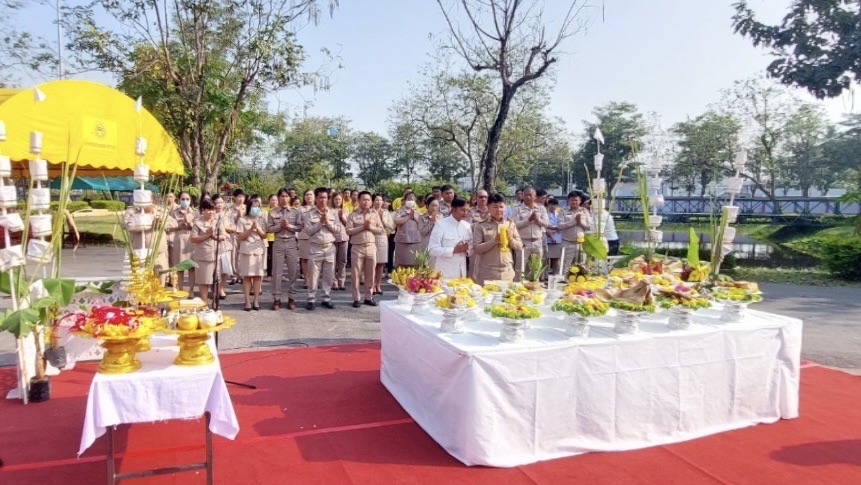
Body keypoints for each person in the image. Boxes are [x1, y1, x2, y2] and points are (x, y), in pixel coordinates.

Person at [472, 193, 523, 284]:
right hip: (488, 273)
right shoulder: (481, 225)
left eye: (501, 207)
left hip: (506, 272)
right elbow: (476, 249)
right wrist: (494, 241)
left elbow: (519, 246)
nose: (499, 210)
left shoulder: (510, 224)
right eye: (495, 207)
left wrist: (511, 239)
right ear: (488, 207)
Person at [303, 187, 340, 310]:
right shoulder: (309, 214)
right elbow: (308, 231)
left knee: (328, 276)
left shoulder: (333, 213)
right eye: (320, 197)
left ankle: (326, 298)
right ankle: (311, 299)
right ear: (316, 198)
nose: (323, 200)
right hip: (315, 248)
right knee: (313, 276)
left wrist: (327, 222)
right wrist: (320, 223)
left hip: (329, 248)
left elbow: (338, 229)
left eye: (325, 197)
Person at [267, 188, 302, 311]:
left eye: (286, 196)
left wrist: (289, 226)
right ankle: (276, 298)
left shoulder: (295, 212)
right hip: (278, 242)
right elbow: (269, 229)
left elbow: (299, 227)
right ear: (278, 197)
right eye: (282, 196)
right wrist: (279, 226)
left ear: (290, 198)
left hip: (291, 242)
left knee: (293, 271)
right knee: (277, 272)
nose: (284, 199)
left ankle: (292, 298)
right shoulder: (272, 212)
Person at [346, 191, 382, 308]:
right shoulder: (353, 215)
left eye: (368, 200)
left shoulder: (374, 214)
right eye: (364, 199)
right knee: (355, 274)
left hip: (371, 246)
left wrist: (370, 227)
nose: (366, 202)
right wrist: (363, 227)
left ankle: (368, 297)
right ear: (359, 201)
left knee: (370, 274)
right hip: (357, 247)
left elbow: (380, 230)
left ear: (371, 202)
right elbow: (348, 231)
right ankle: (356, 298)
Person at [190, 199, 228, 307]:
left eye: (213, 210)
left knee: (216, 280)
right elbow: (193, 239)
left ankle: (215, 301)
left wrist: (213, 236)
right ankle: (204, 302)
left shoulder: (217, 221)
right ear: (203, 210)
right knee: (204, 281)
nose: (211, 212)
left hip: (216, 255)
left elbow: (224, 236)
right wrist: (207, 235)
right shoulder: (197, 222)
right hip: (203, 256)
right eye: (208, 210)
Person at [427, 197, 472, 279]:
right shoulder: (441, 225)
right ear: (453, 209)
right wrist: (453, 250)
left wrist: (467, 249)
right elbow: (432, 250)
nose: (465, 213)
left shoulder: (467, 226)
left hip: (462, 273)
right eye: (462, 210)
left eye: (467, 210)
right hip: (444, 274)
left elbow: (471, 249)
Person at [123, 203, 170, 281]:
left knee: (160, 277)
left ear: (153, 202)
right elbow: (129, 227)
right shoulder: (133, 213)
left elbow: (172, 224)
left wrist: (160, 224)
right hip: (140, 254)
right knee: (141, 279)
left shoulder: (161, 212)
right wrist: (150, 226)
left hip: (159, 253)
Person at [236, 195, 267, 311]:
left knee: (258, 276)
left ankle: (256, 301)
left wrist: (258, 228)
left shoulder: (262, 220)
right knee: (247, 276)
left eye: (258, 207)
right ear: (249, 207)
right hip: (247, 251)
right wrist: (250, 229)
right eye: (254, 207)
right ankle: (247, 301)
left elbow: (265, 235)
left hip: (258, 251)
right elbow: (240, 236)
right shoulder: (242, 220)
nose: (256, 209)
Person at [511, 187, 549, 278]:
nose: (528, 197)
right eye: (526, 195)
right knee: (520, 269)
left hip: (537, 242)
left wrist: (538, 220)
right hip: (523, 242)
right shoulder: (516, 209)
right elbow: (514, 225)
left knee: (536, 269)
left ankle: (534, 285)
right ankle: (518, 285)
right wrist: (528, 220)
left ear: (535, 196)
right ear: (522, 196)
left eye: (530, 195)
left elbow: (546, 224)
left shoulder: (541, 208)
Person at [166, 191, 196, 295]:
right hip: (179, 239)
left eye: (187, 199)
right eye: (183, 199)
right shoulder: (174, 212)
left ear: (190, 200)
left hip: (191, 239)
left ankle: (191, 290)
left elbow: (197, 227)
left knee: (191, 267)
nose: (185, 201)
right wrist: (179, 225)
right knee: (180, 267)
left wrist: (190, 223)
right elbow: (169, 227)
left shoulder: (194, 212)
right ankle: (181, 289)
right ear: (179, 200)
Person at [559, 190, 592, 271]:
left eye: (576, 200)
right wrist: (573, 222)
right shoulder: (563, 211)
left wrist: (580, 223)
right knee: (565, 268)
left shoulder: (584, 211)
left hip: (581, 244)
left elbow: (590, 227)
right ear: (568, 200)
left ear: (580, 201)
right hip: (567, 243)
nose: (574, 202)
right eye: (572, 200)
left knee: (581, 268)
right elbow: (560, 226)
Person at [212, 194, 235, 300]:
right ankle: (215, 289)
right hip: (213, 244)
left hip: (226, 244)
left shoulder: (228, 215)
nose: (219, 205)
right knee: (215, 268)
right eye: (217, 203)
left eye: (221, 202)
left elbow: (233, 228)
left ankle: (221, 288)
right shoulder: (211, 215)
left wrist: (223, 228)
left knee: (225, 268)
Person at [371, 194, 395, 294]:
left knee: (380, 263)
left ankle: (378, 285)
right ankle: (371, 285)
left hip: (382, 238)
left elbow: (392, 227)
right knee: (372, 263)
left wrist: (384, 221)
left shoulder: (386, 212)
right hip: (371, 238)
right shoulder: (369, 211)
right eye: (377, 200)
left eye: (380, 200)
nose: (379, 202)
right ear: (373, 201)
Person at [393, 192, 422, 267]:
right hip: (402, 240)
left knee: (414, 263)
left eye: (412, 199)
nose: (411, 201)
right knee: (401, 263)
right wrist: (409, 216)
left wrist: (414, 216)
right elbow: (397, 221)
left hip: (415, 240)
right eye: (409, 199)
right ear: (404, 200)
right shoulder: (399, 211)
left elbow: (422, 224)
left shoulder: (417, 212)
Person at [330, 191, 349, 291]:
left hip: (343, 237)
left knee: (343, 260)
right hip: (332, 238)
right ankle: (334, 281)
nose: (338, 201)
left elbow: (349, 225)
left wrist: (342, 217)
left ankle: (342, 281)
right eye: (336, 199)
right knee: (332, 261)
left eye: (339, 199)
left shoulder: (345, 210)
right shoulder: (329, 210)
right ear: (332, 200)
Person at [297, 188, 314, 287]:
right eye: (307, 195)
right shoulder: (300, 209)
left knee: (314, 260)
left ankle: (313, 280)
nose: (309, 196)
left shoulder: (317, 208)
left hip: (315, 236)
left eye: (311, 194)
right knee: (305, 259)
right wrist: (303, 222)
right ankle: (306, 280)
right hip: (304, 236)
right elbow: (297, 221)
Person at [230, 189, 246, 285]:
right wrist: (237, 217)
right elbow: (229, 222)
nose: (241, 199)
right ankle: (234, 275)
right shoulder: (230, 209)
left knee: (244, 254)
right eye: (239, 196)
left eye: (243, 197)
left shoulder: (247, 208)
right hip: (234, 234)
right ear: (235, 198)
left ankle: (243, 275)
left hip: (244, 234)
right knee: (233, 255)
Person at [545, 198, 563, 276]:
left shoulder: (559, 214)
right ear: (548, 205)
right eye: (551, 205)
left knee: (556, 258)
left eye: (555, 205)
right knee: (546, 258)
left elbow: (561, 225)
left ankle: (555, 274)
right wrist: (551, 235)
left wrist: (554, 230)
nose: (553, 206)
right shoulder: (545, 214)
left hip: (558, 239)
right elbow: (545, 226)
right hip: (548, 239)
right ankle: (545, 275)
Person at [265, 194, 278, 282]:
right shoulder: (265, 211)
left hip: (278, 237)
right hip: (269, 237)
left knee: (278, 257)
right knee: (270, 257)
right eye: (272, 200)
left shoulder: (280, 210)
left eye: (276, 200)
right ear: (269, 201)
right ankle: (269, 274)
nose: (274, 202)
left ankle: (278, 274)